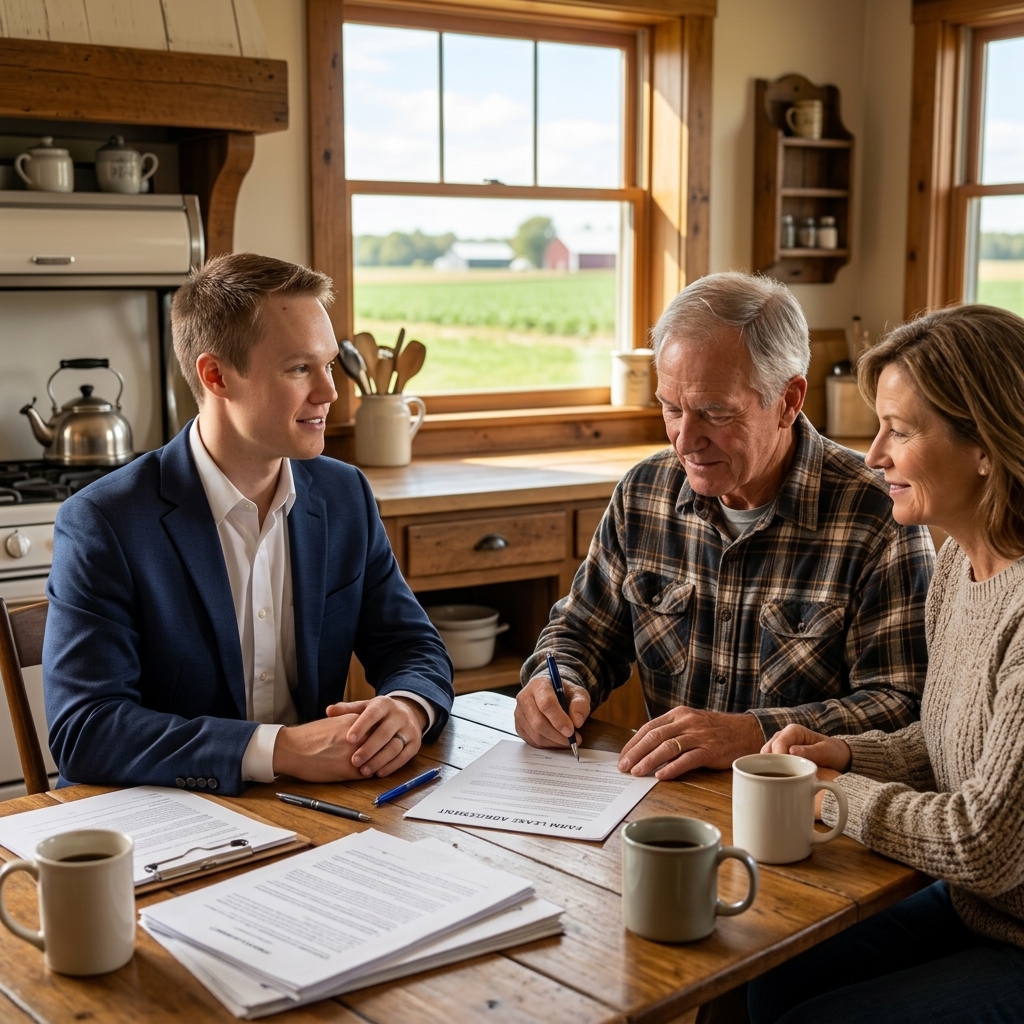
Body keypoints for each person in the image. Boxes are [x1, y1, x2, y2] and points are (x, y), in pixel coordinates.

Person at [44, 253, 453, 796]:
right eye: (298, 368)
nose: (330, 393)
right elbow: (86, 729)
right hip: (164, 823)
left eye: (328, 364)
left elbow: (412, 645)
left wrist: (407, 707)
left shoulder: (344, 494)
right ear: (216, 375)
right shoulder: (104, 521)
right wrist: (280, 749)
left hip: (316, 810)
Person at [515, 272, 934, 778]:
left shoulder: (878, 515)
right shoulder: (644, 493)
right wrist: (552, 682)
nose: (685, 440)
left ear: (788, 401)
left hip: (810, 817)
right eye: (671, 408)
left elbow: (903, 707)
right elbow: (581, 633)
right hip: (663, 802)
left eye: (715, 413)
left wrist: (753, 734)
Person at [750, 304, 1024, 1024]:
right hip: (981, 912)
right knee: (765, 974)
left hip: (1012, 927)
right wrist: (842, 752)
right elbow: (947, 746)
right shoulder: (959, 567)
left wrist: (835, 794)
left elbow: (982, 842)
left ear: (989, 446)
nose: (873, 455)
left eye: (899, 432)